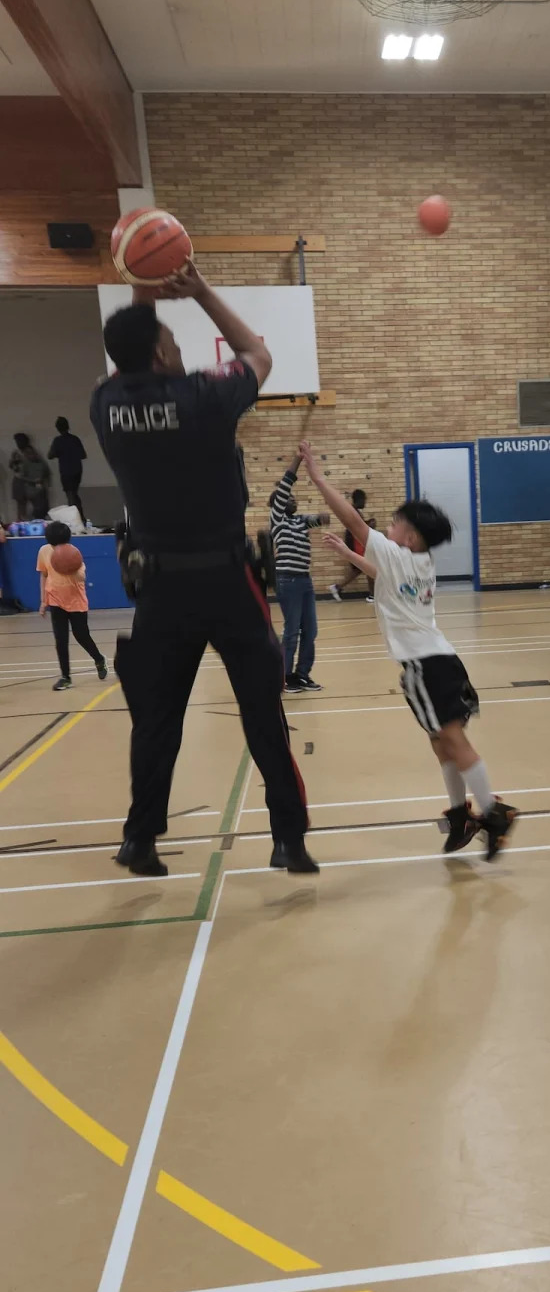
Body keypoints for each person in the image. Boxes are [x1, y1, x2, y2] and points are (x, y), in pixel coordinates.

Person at [90, 261, 316, 878]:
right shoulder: (204, 396)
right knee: (263, 716)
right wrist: (201, 291)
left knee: (157, 720)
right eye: (172, 342)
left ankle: (140, 841)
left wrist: (141, 289)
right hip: (226, 581)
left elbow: (130, 358)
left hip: (161, 588)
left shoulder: (106, 402)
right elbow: (256, 352)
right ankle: (288, 841)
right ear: (162, 357)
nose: (180, 346)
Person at [300, 443, 518, 860]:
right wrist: (349, 555)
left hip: (425, 665)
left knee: (452, 740)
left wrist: (319, 479)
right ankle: (461, 815)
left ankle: (494, 812)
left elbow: (353, 519)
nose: (390, 527)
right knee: (441, 742)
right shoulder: (418, 562)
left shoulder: (397, 553)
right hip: (440, 661)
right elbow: (384, 575)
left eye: (397, 523)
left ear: (409, 535)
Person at [269, 449, 329, 692]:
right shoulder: (277, 519)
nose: (293, 500)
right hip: (288, 581)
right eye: (288, 499)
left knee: (310, 631)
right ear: (279, 503)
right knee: (291, 631)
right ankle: (285, 677)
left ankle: (302, 674)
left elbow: (322, 519)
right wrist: (298, 460)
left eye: (294, 499)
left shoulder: (301, 521)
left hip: (305, 581)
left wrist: (324, 517)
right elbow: (285, 484)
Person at [37, 521, 108, 691]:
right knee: (60, 640)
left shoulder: (72, 553)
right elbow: (44, 576)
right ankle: (65, 677)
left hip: (76, 601)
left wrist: (69, 568)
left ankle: (99, 658)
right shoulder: (44, 551)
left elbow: (81, 577)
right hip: (56, 601)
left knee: (81, 635)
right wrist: (43, 601)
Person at [329, 490, 376, 602]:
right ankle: (372, 595)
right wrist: (371, 524)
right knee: (367, 565)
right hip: (355, 542)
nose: (365, 503)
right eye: (364, 500)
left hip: (355, 542)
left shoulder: (355, 511)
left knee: (359, 569)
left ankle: (337, 587)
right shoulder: (354, 511)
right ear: (359, 500)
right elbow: (360, 526)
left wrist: (369, 523)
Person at [48, 418, 88, 525]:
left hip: (66, 471)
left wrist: (61, 452)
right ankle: (81, 517)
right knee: (74, 494)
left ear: (57, 428)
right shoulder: (75, 439)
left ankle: (75, 520)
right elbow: (83, 455)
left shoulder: (58, 440)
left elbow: (50, 455)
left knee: (70, 495)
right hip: (77, 470)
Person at [9, 434, 51, 520]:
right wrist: (13, 461)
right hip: (19, 480)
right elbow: (12, 467)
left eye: (19, 441)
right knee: (21, 504)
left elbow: (41, 466)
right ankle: (20, 521)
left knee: (37, 504)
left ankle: (33, 520)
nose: (18, 443)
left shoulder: (30, 451)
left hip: (32, 483)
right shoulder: (16, 453)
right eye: (17, 441)